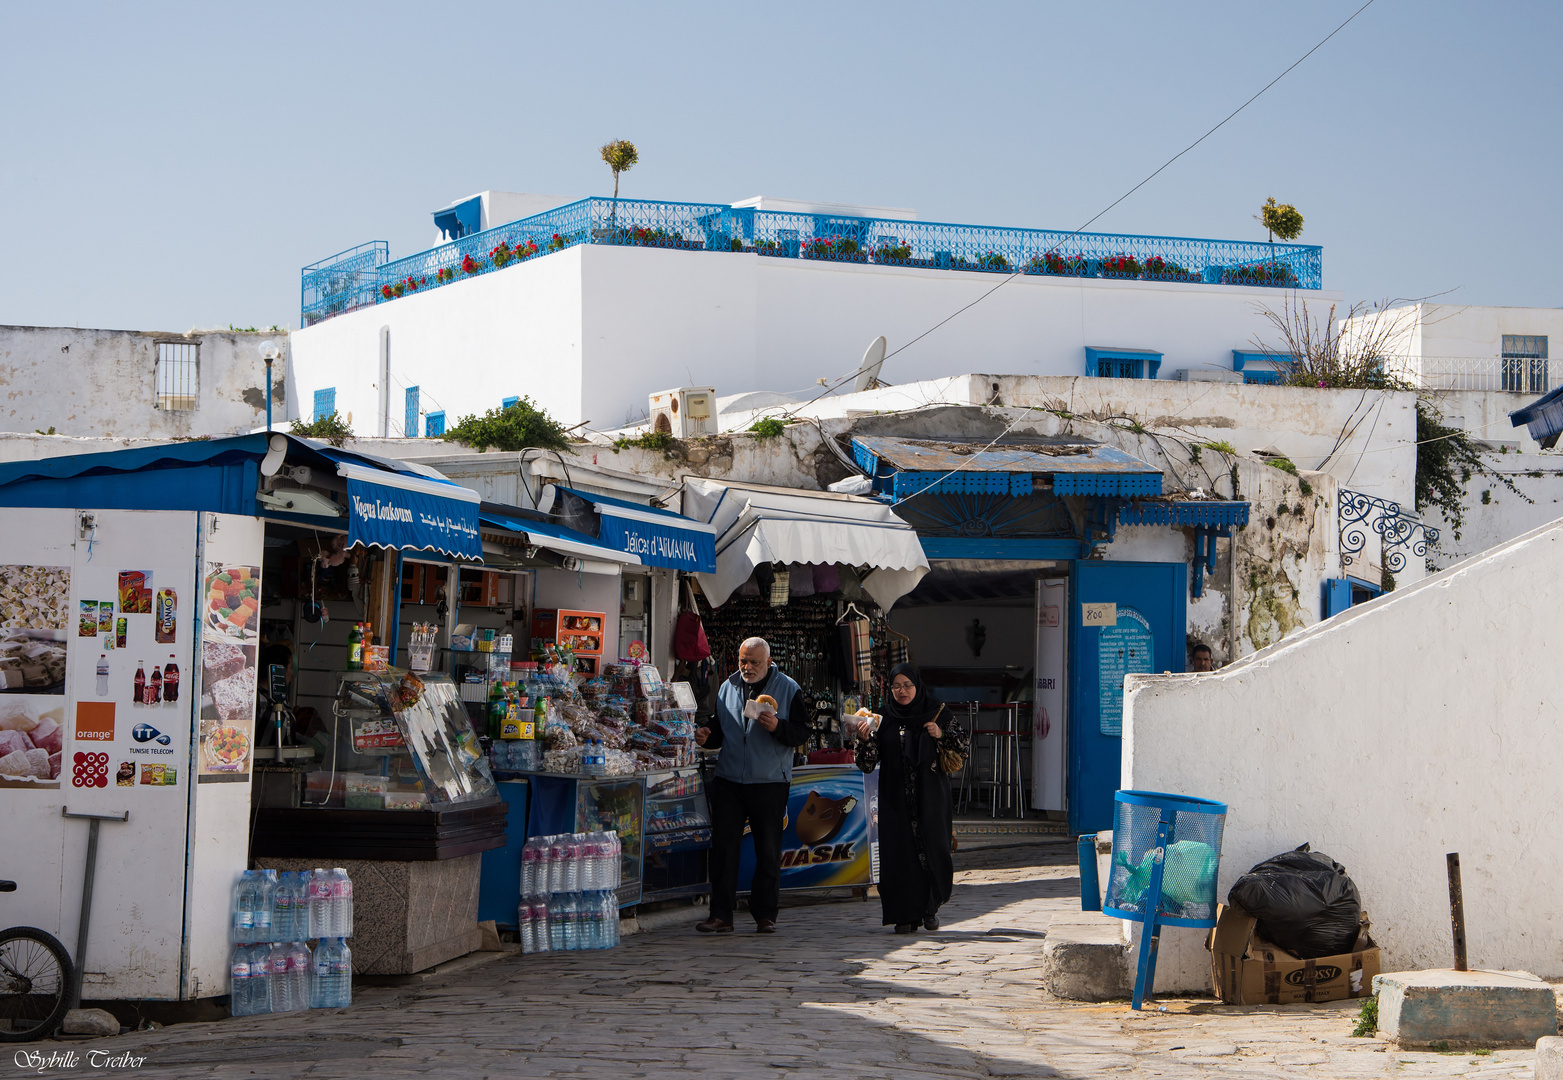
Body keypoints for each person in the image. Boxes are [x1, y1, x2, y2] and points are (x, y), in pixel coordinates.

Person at [693, 637, 810, 934]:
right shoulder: (727, 687)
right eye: (743, 661)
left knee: (768, 850)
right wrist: (708, 736)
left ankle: (765, 914)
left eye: (754, 662)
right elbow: (721, 731)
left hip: (769, 781)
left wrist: (778, 728)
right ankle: (720, 915)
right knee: (723, 849)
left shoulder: (788, 688)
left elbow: (801, 732)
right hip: (730, 779)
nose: (747, 667)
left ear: (769, 662)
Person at [851, 663, 969, 934]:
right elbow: (867, 764)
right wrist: (864, 740)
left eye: (907, 685)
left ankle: (929, 909)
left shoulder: (938, 712)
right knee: (898, 853)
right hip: (895, 796)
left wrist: (940, 734)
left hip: (930, 796)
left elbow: (962, 746)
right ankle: (903, 914)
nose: (902, 691)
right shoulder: (881, 719)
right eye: (896, 686)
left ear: (917, 686)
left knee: (933, 849)